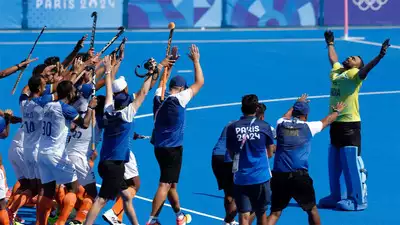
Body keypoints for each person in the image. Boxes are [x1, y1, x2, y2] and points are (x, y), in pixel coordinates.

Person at [84, 54, 165, 225]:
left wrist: (107, 71)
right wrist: (151, 73)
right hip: (115, 164)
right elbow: (144, 91)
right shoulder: (128, 114)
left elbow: (108, 92)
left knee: (127, 196)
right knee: (101, 200)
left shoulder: (108, 110)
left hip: (104, 162)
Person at [318, 30, 390, 211]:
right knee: (334, 162)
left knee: (351, 162)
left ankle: (357, 199)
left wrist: (380, 56)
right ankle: (336, 195)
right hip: (335, 123)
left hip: (350, 125)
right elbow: (333, 59)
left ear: (358, 66)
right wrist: (331, 43)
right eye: (350, 56)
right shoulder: (338, 72)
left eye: (354, 58)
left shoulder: (355, 75)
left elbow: (367, 69)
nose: (350, 58)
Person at [147, 44, 204, 225]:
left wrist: (169, 64)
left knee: (171, 183)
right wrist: (196, 62)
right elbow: (200, 82)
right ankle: (152, 220)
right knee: (165, 183)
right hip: (173, 149)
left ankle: (179, 215)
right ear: (180, 88)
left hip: (159, 147)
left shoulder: (158, 96)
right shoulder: (180, 99)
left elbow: (163, 81)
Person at [267, 94, 346, 225]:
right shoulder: (308, 127)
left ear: (294, 112)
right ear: (306, 115)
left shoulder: (280, 124)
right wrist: (337, 111)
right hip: (299, 177)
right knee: (312, 210)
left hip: (279, 176)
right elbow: (327, 120)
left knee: (275, 213)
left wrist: (297, 103)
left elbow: (286, 116)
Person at [36, 80, 97, 225]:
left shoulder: (47, 105)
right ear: (70, 93)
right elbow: (86, 124)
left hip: (42, 153)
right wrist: (90, 108)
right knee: (73, 187)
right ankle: (60, 222)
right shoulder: (66, 109)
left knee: (48, 191)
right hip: (56, 155)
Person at [8, 75, 56, 224]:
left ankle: (10, 212)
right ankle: (40, 222)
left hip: (27, 150)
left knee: (32, 188)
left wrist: (37, 79)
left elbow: (24, 90)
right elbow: (65, 89)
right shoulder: (42, 102)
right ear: (41, 88)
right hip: (37, 152)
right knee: (43, 189)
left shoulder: (23, 103)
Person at [226, 95, 275, 225]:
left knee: (244, 215)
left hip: (241, 177)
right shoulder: (264, 126)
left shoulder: (232, 127)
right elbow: (270, 153)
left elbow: (231, 153)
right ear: (256, 108)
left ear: (242, 108)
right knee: (261, 212)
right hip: (261, 177)